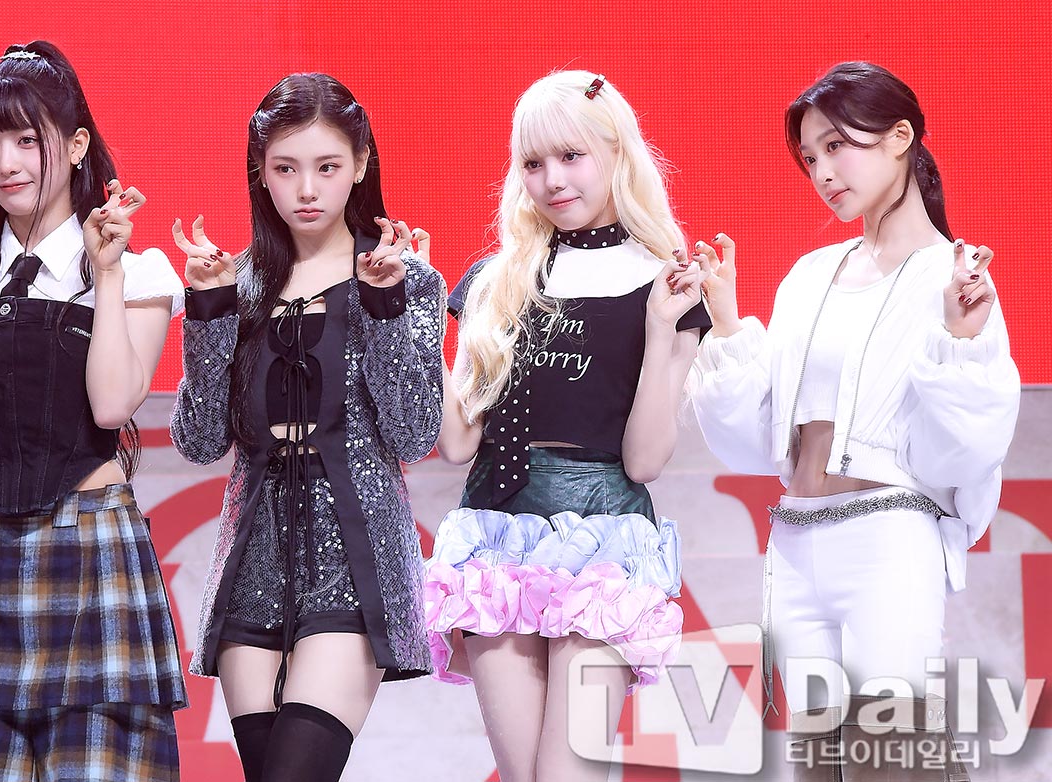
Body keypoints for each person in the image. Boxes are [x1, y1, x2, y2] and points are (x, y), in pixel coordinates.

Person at [689, 61, 1020, 776]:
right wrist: (727, 324)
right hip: (794, 542)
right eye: (810, 157)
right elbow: (755, 444)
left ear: (900, 136)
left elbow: (966, 454)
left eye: (837, 145)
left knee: (891, 754)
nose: (823, 172)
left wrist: (959, 341)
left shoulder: (953, 278)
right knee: (818, 762)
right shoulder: (809, 276)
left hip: (887, 538)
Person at [0, 41, 187, 782]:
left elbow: (113, 404)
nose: (6, 164)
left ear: (76, 146)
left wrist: (105, 274)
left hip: (91, 548)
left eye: (27, 140)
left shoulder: (134, 269)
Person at [427, 71, 707, 782]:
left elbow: (644, 461)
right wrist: (421, 322)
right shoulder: (497, 279)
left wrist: (659, 329)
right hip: (495, 538)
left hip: (603, 542)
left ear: (617, 152)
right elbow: (457, 443)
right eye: (533, 162)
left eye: (571, 156)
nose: (552, 180)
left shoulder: (665, 282)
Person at [169, 72, 445, 782]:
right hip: (252, 557)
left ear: (360, 165)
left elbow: (415, 433)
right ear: (260, 173)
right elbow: (199, 440)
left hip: (356, 555)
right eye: (286, 169)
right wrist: (208, 311)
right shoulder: (237, 283)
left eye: (327, 167)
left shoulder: (405, 278)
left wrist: (384, 309)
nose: (307, 189)